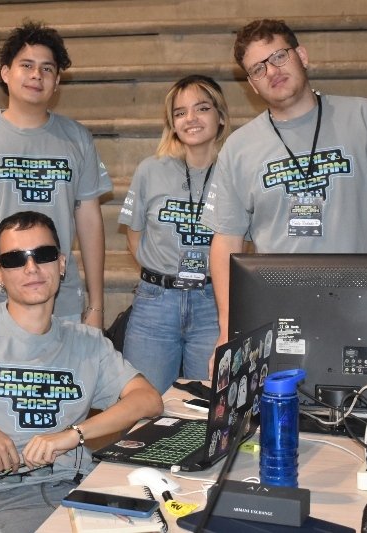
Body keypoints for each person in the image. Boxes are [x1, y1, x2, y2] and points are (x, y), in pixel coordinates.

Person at [0, 211, 164, 533]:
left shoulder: (87, 341)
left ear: (61, 264)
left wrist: (73, 435)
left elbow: (148, 400)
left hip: (75, 487)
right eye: (15, 259)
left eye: (43, 255)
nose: (31, 268)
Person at [202, 19, 367, 347]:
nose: (272, 71)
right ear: (251, 84)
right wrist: (227, 326)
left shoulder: (363, 117)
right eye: (258, 69)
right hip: (280, 314)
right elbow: (226, 242)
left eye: (279, 56)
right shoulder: (238, 147)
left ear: (302, 56)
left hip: (365, 306)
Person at [0, 20, 111, 328]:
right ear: (5, 73)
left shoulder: (78, 138)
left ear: (57, 82)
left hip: (60, 302)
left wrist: (95, 306)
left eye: (47, 69)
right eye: (26, 65)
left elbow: (90, 221)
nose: (36, 75)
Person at [117, 75, 231, 392]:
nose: (190, 119)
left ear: (220, 116)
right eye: (180, 112)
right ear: (172, 121)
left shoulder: (236, 172)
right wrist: (160, 272)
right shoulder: (149, 170)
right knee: (143, 406)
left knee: (209, 406)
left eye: (202, 108)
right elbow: (134, 235)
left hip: (212, 304)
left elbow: (244, 242)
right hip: (155, 303)